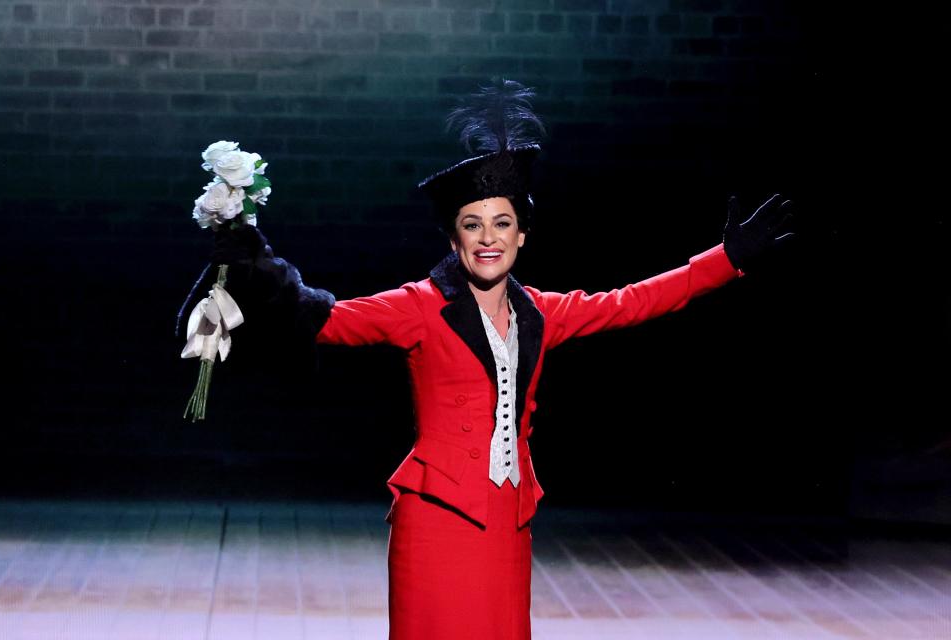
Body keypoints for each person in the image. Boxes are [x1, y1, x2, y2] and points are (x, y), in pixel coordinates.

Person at [205, 80, 793, 640]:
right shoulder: (419, 306)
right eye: (472, 225)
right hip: (437, 519)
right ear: (455, 239)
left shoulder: (543, 311)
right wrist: (259, 264)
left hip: (508, 520)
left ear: (521, 236)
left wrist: (726, 260)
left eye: (502, 223)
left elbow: (630, 304)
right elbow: (325, 318)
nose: (488, 238)